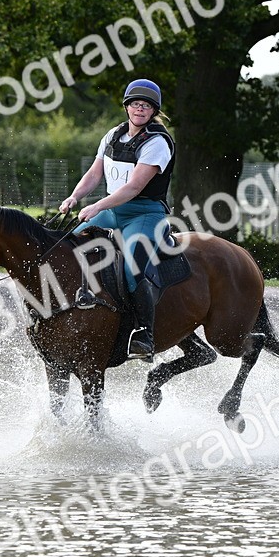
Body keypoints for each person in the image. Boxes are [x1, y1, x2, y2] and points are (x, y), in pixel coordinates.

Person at [59, 78, 175, 361]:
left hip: (146, 213)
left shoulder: (157, 142)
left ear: (153, 111)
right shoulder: (113, 135)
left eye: (146, 106)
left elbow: (133, 188)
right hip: (114, 210)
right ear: (126, 106)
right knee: (68, 245)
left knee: (131, 269)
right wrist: (75, 197)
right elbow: (94, 174)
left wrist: (96, 206)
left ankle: (145, 335)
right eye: (135, 103)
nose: (140, 109)